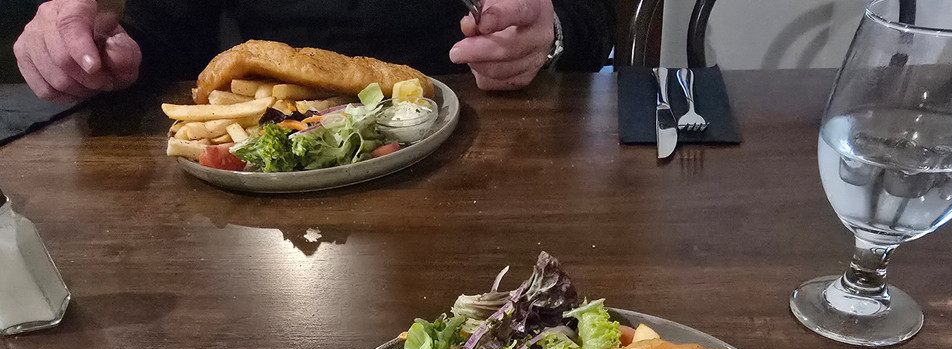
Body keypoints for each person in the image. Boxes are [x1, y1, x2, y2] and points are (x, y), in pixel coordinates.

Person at [13, 0, 616, 103]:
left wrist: (552, 34)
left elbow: (593, 18)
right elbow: (169, 31)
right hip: (269, 176)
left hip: (481, 141)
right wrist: (104, 50)